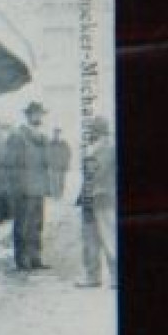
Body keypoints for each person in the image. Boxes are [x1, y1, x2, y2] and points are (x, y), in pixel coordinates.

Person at [6, 101, 55, 272]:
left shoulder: (43, 137)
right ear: (28, 116)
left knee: (37, 223)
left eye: (40, 114)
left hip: (38, 188)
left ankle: (35, 258)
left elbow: (49, 161)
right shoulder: (17, 136)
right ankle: (22, 259)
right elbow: (9, 162)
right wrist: (17, 184)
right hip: (24, 188)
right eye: (35, 114)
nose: (38, 117)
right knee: (23, 224)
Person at [77, 116, 118, 289]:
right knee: (90, 239)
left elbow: (96, 171)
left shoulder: (108, 147)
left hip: (103, 196)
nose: (90, 133)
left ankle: (115, 277)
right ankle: (92, 276)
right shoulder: (96, 148)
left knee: (108, 238)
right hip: (91, 197)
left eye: (93, 130)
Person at [49, 128, 72, 200]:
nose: (57, 135)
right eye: (55, 134)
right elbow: (47, 154)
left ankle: (60, 195)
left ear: (60, 135)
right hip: (53, 166)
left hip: (62, 166)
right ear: (54, 134)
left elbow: (68, 154)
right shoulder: (51, 144)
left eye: (58, 134)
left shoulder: (64, 144)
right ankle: (55, 195)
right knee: (54, 181)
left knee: (61, 181)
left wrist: (66, 163)